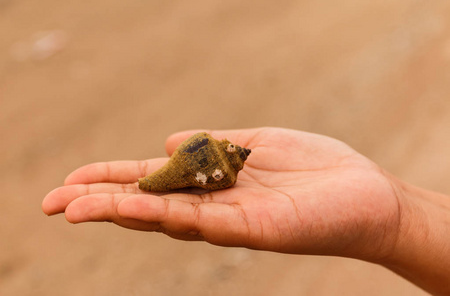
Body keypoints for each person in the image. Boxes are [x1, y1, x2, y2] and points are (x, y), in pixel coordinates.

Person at [42, 127, 450, 295]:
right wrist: (401, 211)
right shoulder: (217, 161)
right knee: (154, 183)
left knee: (152, 185)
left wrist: (398, 220)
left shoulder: (217, 159)